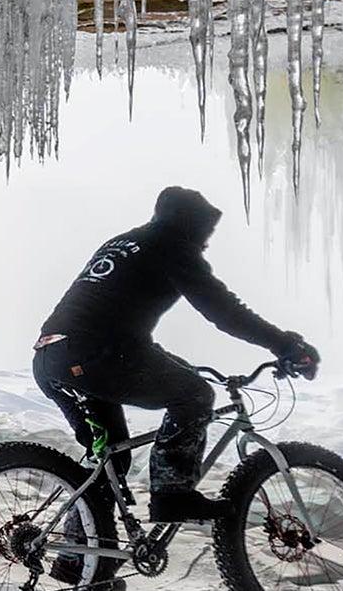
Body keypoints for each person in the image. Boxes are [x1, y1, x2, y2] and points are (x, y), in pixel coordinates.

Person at [31, 186, 321, 523]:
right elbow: (223, 311)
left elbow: (111, 319)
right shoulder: (172, 246)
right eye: (205, 233)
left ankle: (80, 561)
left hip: (53, 357)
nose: (206, 243)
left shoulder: (126, 241)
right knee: (195, 395)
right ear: (189, 226)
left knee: (110, 461)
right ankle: (172, 495)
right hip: (94, 356)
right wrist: (285, 345)